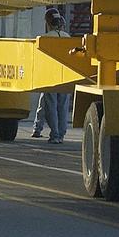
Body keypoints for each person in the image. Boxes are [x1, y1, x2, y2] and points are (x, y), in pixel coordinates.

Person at [31, 8, 72, 143]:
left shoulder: (45, 38)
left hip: (50, 77)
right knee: (63, 107)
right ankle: (61, 134)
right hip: (66, 76)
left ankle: (54, 134)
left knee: (51, 106)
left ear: (48, 22)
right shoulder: (67, 37)